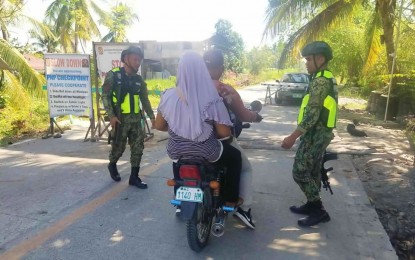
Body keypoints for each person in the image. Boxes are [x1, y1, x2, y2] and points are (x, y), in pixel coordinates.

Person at [154, 51, 242, 206]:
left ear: (179, 70)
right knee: (235, 157)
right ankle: (230, 200)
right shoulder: (212, 97)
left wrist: (178, 125)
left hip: (176, 150)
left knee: (178, 158)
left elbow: (159, 126)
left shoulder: (168, 96)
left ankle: (179, 198)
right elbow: (223, 133)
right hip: (207, 151)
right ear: (202, 69)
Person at [203, 49, 262, 229]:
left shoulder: (189, 87)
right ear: (220, 67)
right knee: (245, 168)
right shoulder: (224, 89)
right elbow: (242, 114)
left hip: (190, 140)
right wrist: (255, 116)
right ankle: (242, 208)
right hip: (218, 142)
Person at [281, 41, 337, 227]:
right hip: (319, 133)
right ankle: (311, 204)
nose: (306, 63)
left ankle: (319, 210)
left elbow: (312, 115)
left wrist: (292, 137)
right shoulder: (323, 77)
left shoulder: (320, 81)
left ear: (320, 59)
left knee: (300, 171)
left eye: (308, 59)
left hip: (316, 134)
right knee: (312, 171)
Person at [101, 46, 155, 189]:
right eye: (135, 59)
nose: (138, 63)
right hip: (120, 120)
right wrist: (111, 116)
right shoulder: (114, 75)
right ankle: (112, 164)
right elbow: (105, 96)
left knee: (138, 148)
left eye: (139, 60)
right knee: (118, 148)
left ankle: (134, 177)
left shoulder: (139, 80)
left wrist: (152, 117)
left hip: (136, 121)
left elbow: (145, 99)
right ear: (126, 59)